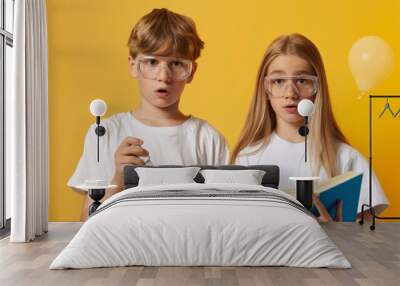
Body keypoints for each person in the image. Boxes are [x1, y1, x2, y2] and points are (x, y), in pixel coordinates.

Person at [68, 8, 229, 221]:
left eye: (177, 64)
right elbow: (86, 222)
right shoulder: (104, 134)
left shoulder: (208, 138)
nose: (163, 76)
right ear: (133, 66)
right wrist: (119, 177)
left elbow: (224, 213)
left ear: (191, 72)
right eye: (152, 62)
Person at [231, 33, 388, 222]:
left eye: (302, 80)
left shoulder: (347, 159)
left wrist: (339, 234)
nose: (290, 94)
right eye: (279, 81)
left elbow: (369, 242)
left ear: (317, 87)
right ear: (265, 89)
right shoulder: (247, 158)